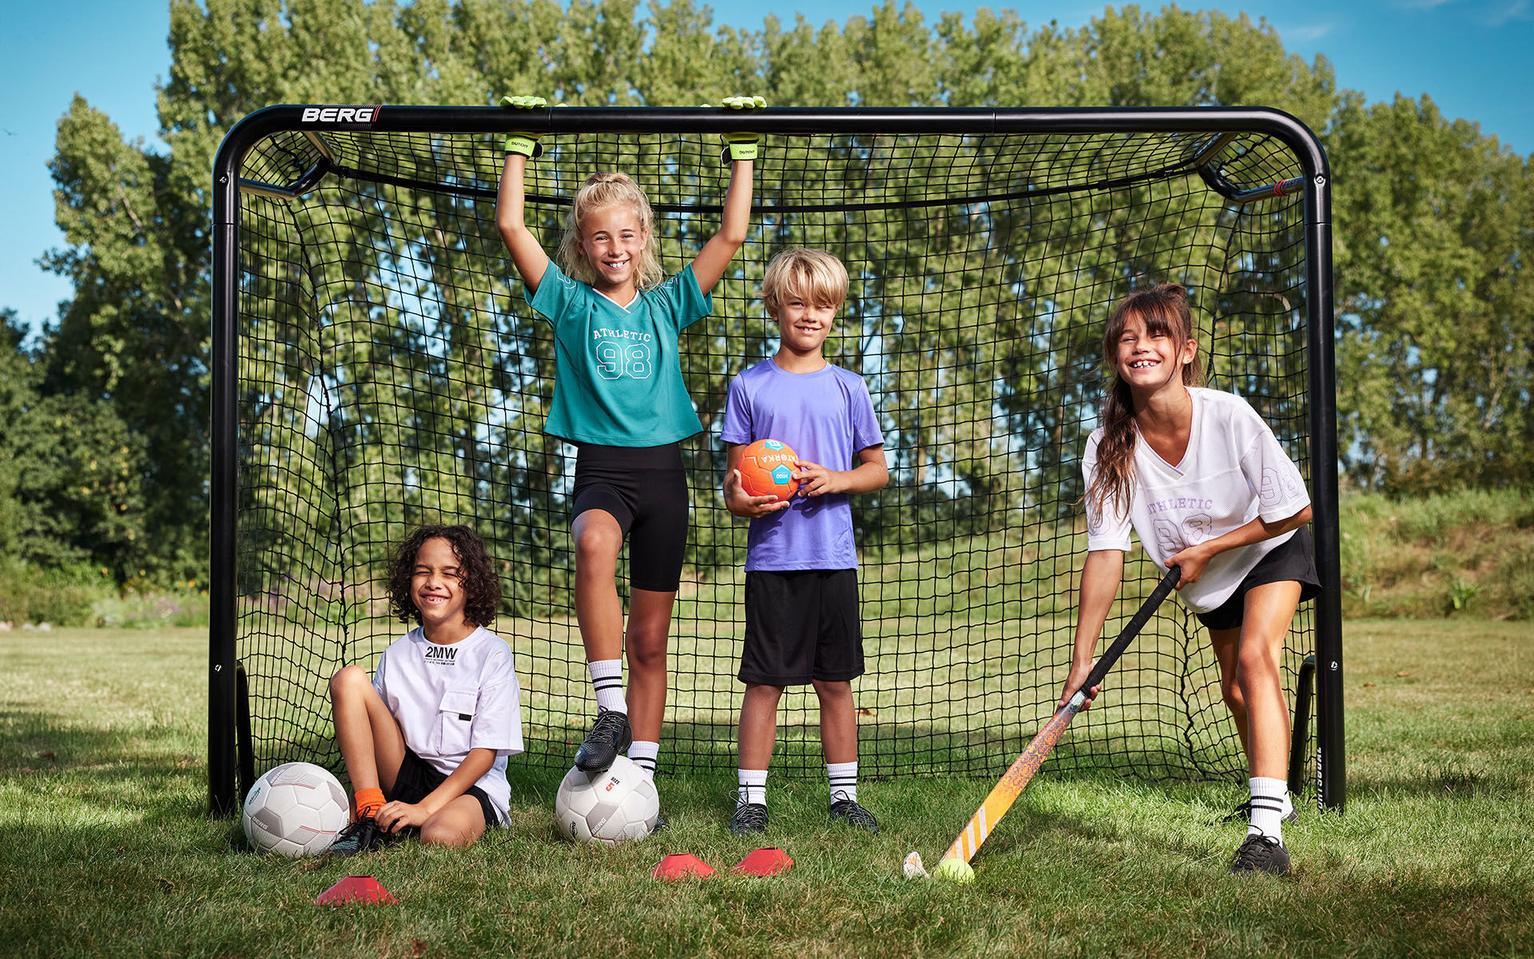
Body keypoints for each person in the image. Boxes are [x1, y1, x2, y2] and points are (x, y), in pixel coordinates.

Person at [494, 95, 764, 786]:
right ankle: (610, 709)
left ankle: (641, 775)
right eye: (600, 238)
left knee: (649, 639)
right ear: (582, 246)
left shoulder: (668, 304)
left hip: (664, 477)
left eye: (625, 234)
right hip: (602, 471)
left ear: (643, 237)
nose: (614, 248)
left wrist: (742, 150)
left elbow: (732, 235)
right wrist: (519, 145)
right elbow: (510, 224)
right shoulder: (569, 303)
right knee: (592, 543)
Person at [1063, 282, 1318, 876]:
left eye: (1156, 335)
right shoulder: (1107, 446)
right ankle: (1277, 790)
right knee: (1235, 691)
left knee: (1256, 659)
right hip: (1207, 577)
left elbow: (1295, 509)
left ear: (1185, 351)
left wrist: (1210, 547)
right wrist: (1083, 658)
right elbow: (1106, 552)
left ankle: (1266, 832)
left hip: (1267, 548)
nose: (1141, 347)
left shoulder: (1228, 415)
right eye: (1127, 338)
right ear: (1115, 357)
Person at [719, 248, 889, 836]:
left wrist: (837, 479)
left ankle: (844, 798)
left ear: (835, 311)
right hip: (772, 561)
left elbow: (877, 469)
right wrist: (739, 501)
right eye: (797, 303)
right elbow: (733, 484)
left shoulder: (849, 388)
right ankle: (751, 801)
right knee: (764, 681)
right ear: (774, 308)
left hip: (833, 558)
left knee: (834, 681)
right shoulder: (749, 386)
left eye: (823, 304)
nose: (810, 315)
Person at [327, 525, 523, 854]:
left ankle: (412, 816)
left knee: (439, 836)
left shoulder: (492, 654)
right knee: (349, 678)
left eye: (450, 573)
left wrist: (425, 809)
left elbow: (485, 754)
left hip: (468, 785)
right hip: (405, 771)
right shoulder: (397, 654)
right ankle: (370, 811)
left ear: (473, 583)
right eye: (423, 571)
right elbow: (374, 732)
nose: (433, 582)